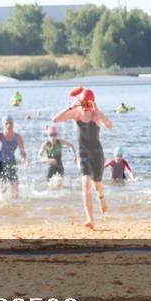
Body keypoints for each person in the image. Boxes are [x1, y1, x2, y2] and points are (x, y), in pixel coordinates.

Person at [53, 87, 114, 229]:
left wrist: (97, 110)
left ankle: (102, 200)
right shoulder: (75, 113)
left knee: (97, 184)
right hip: (82, 153)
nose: (85, 107)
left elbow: (109, 125)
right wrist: (70, 107)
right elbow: (55, 119)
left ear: (92, 102)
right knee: (85, 182)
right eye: (83, 103)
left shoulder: (95, 115)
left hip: (97, 153)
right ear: (80, 101)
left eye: (88, 103)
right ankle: (90, 219)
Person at [0, 116, 27, 198]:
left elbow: (22, 151)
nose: (9, 125)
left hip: (11, 162)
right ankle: (1, 200)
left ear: (13, 124)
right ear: (3, 125)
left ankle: (15, 202)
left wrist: (25, 160)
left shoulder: (17, 137)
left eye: (10, 123)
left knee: (15, 185)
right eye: (6, 123)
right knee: (2, 188)